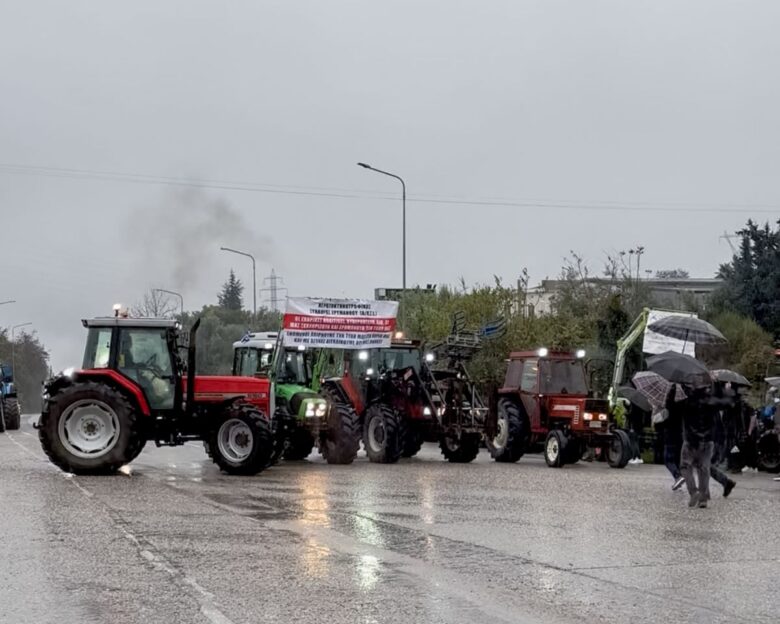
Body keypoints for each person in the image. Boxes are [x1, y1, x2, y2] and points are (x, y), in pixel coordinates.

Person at [658, 385, 685, 491]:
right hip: (680, 433)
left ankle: (678, 476)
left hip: (670, 433)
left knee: (668, 458)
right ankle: (679, 476)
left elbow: (665, 421)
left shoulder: (668, 404)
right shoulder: (682, 403)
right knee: (677, 458)